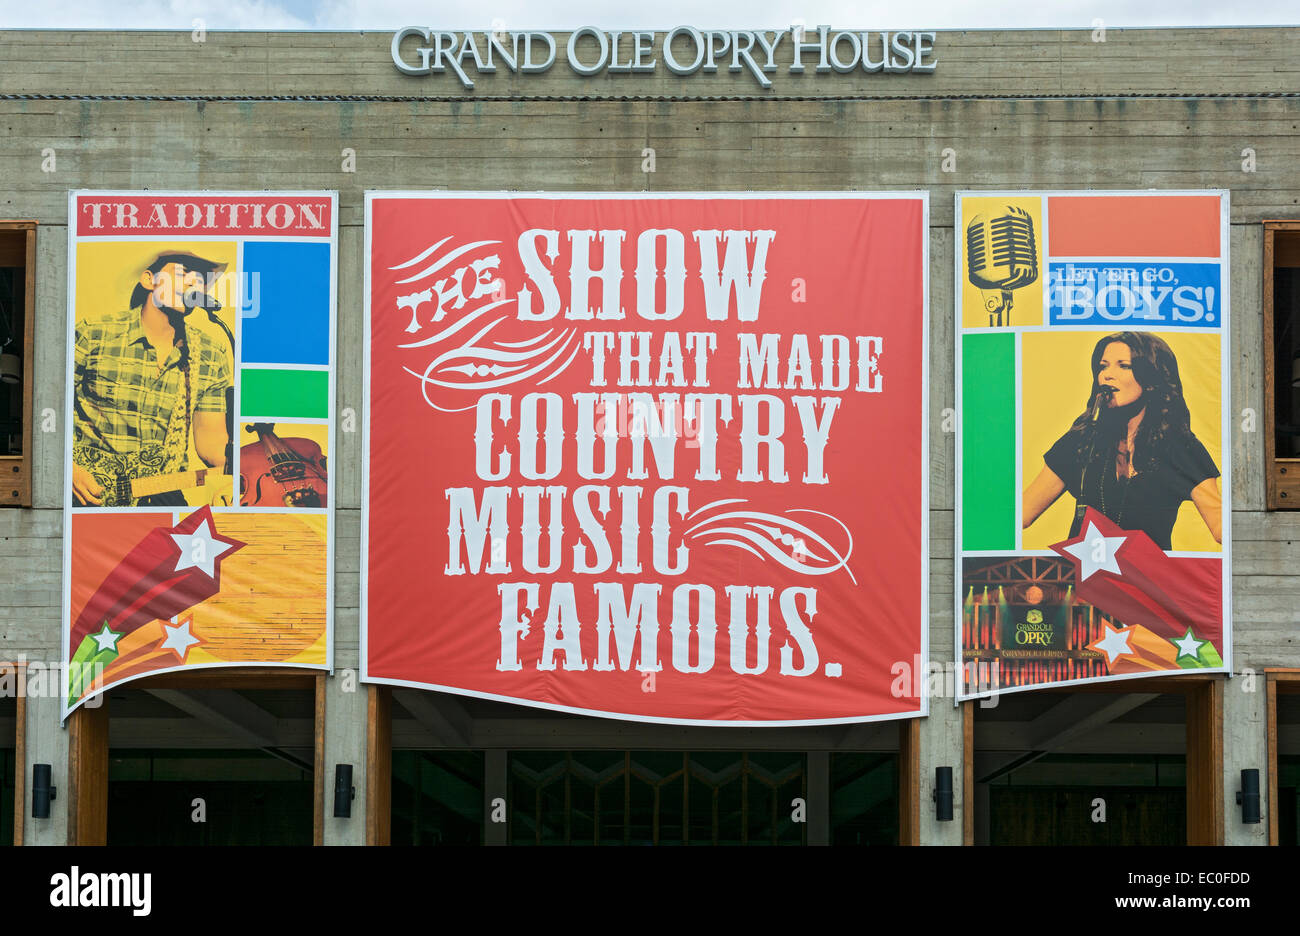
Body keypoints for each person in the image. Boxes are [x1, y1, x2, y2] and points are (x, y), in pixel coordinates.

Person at [1022, 331, 1221, 550]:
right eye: (1103, 366)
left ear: (1151, 378)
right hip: (1085, 579)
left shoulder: (1180, 447)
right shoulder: (1083, 438)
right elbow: (1022, 513)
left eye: (1123, 366)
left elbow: (1220, 523)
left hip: (1146, 580)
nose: (1107, 375)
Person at [72, 251, 231, 507]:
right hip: (87, 491)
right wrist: (67, 470)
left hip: (160, 493)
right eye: (182, 272)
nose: (193, 282)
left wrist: (233, 474)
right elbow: (45, 412)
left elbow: (211, 438)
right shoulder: (94, 333)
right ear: (149, 280)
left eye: (200, 279)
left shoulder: (211, 353)